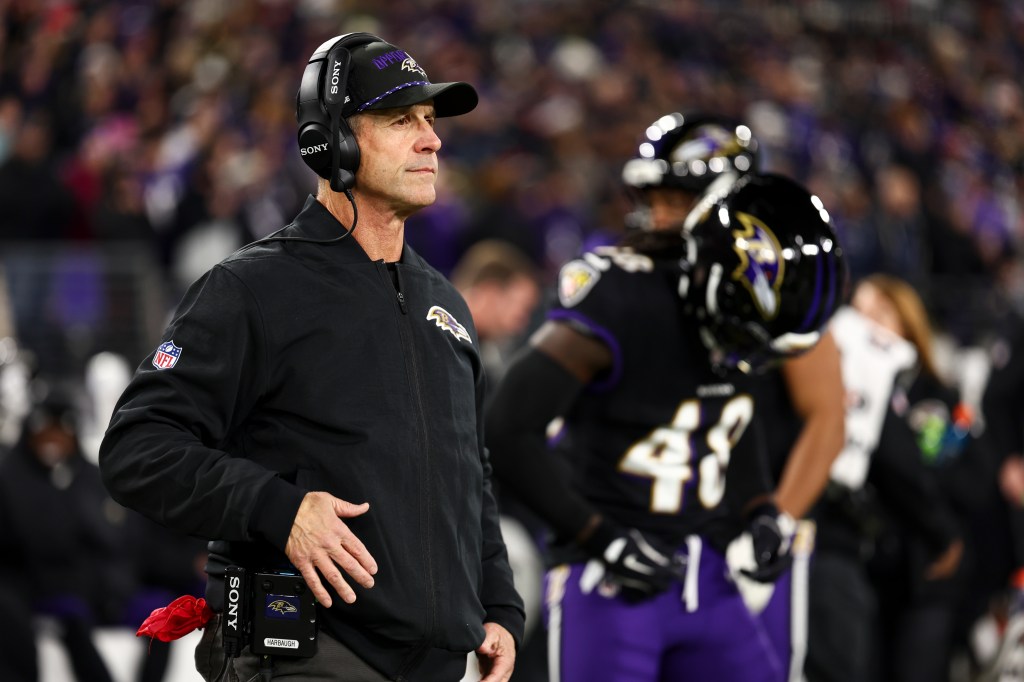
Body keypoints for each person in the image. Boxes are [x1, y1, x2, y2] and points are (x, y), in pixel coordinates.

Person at [99, 32, 524, 682]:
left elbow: (472, 478)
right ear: (335, 141)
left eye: (431, 122)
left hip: (434, 665)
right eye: (401, 119)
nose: (432, 140)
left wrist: (497, 607)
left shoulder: (448, 307)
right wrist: (281, 509)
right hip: (310, 653)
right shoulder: (254, 288)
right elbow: (137, 448)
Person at [485, 163, 846, 682]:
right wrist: (598, 535)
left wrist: (761, 509)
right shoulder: (626, 299)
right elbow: (508, 427)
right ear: (715, 282)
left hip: (707, 570)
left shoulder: (728, 325)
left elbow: (727, 421)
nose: (755, 357)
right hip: (609, 578)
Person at [619, 113, 848, 679]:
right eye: (655, 196)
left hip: (735, 540)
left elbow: (827, 417)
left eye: (675, 197)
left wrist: (777, 522)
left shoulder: (773, 282)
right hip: (651, 535)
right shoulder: (638, 279)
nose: (659, 213)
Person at [851, 274, 992, 682]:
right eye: (857, 314)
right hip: (869, 570)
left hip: (928, 575)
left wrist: (942, 531)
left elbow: (975, 480)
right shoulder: (843, 393)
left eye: (879, 314)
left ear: (907, 324)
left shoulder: (937, 397)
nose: (865, 326)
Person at [0, 381, 135, 682]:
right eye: (45, 431)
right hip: (33, 585)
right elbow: (29, 540)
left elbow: (115, 537)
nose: (53, 440)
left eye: (61, 431)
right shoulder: (15, 476)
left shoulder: (86, 476)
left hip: (92, 584)